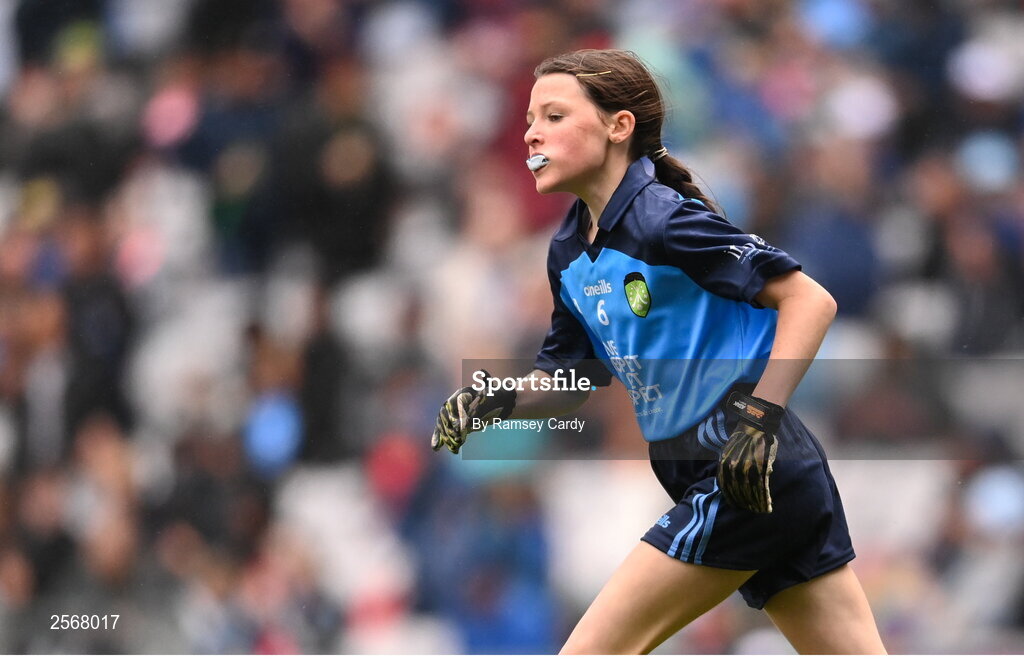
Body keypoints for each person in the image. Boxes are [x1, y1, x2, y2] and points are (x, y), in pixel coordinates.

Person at [430, 49, 886, 655]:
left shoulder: (662, 219)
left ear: (619, 127)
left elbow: (810, 302)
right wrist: (497, 397)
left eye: (556, 115)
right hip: (735, 470)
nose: (531, 131)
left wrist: (760, 419)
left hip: (744, 463)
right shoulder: (567, 249)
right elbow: (575, 372)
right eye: (531, 118)